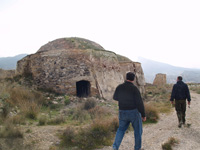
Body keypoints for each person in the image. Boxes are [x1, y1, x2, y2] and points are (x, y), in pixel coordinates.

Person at [112, 72, 146, 150]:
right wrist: (143, 114)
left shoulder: (119, 87)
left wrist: (123, 99)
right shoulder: (134, 88)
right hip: (133, 112)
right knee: (138, 131)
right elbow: (139, 102)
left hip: (122, 111)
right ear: (133, 79)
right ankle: (137, 148)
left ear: (126, 77)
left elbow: (115, 97)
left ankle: (115, 147)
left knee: (121, 130)